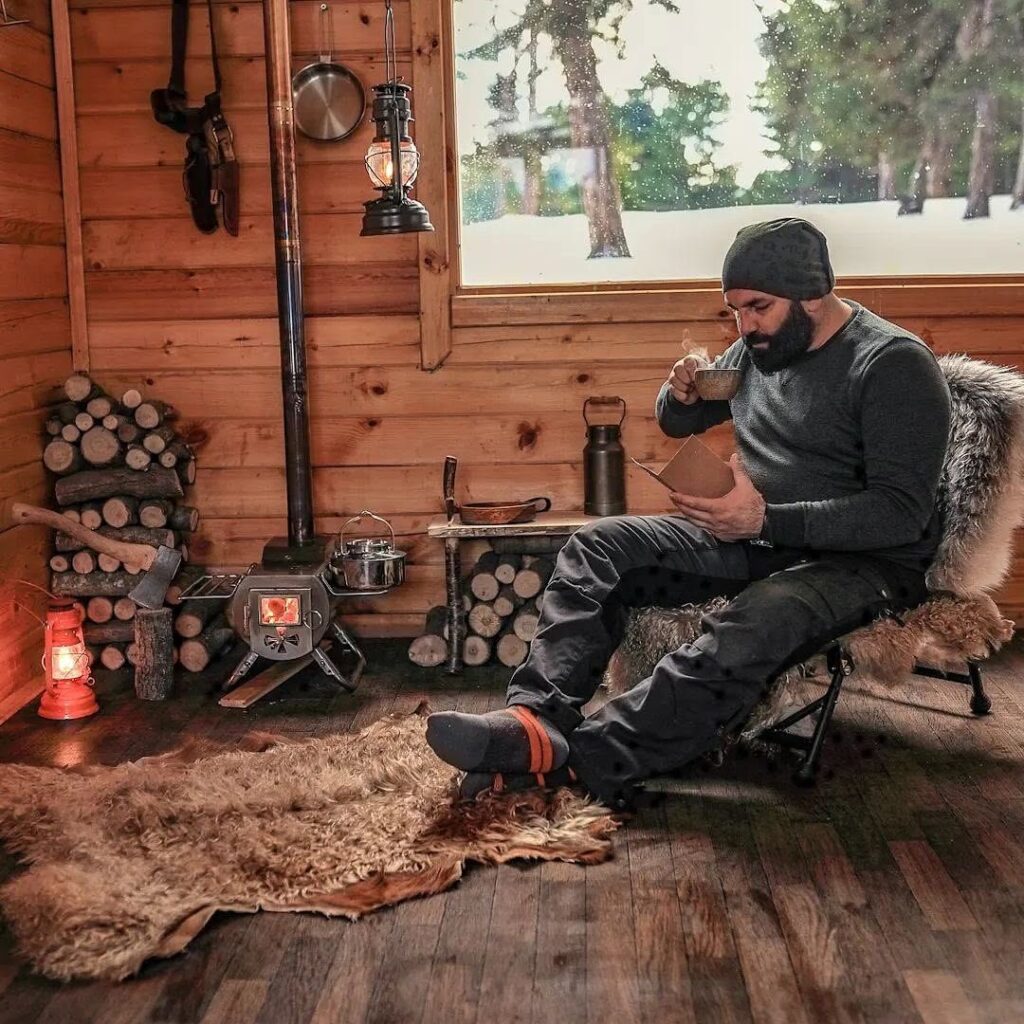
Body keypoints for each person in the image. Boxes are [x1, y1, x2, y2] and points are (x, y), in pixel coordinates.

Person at [425, 217, 952, 812]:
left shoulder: (893, 367)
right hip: (754, 533)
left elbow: (900, 515)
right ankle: (531, 722)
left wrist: (765, 521)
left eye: (757, 307)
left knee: (759, 619)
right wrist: (677, 395)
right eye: (733, 310)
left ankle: (580, 762)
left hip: (862, 562)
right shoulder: (760, 349)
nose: (743, 325)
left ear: (813, 294)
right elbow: (679, 422)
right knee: (600, 545)